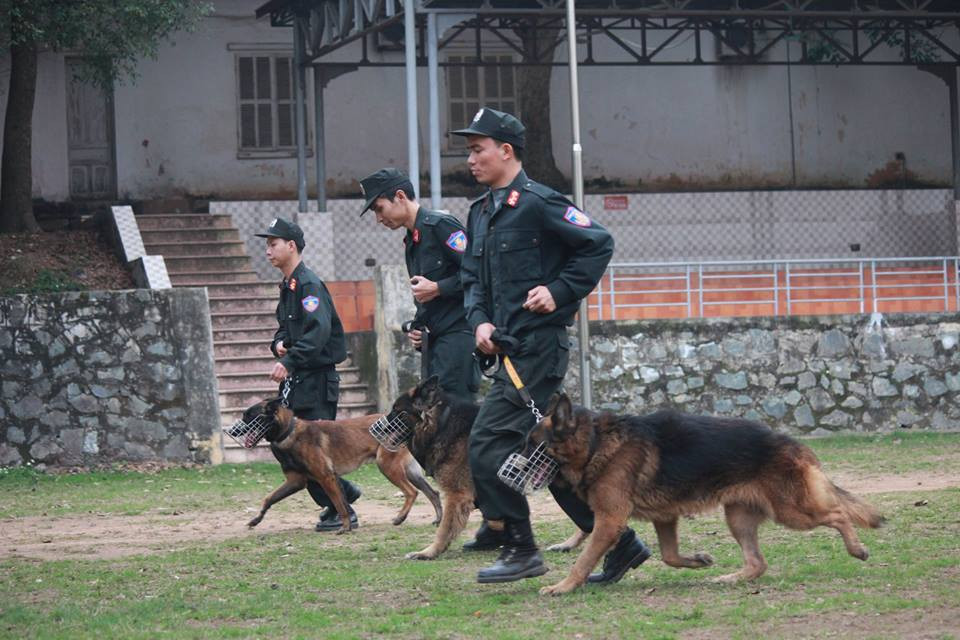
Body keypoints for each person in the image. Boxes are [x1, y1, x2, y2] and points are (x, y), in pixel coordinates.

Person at [452, 107, 652, 584]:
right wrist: (478, 322)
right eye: (469, 151)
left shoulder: (540, 203)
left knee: (485, 442)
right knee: (542, 451)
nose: (471, 159)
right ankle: (621, 544)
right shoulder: (480, 212)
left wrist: (559, 291)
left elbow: (598, 243)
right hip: (505, 349)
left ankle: (520, 547)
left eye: (477, 149)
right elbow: (471, 280)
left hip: (538, 349)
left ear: (506, 151)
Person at [255, 217, 362, 532]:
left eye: (273, 244)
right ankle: (344, 496)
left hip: (315, 380)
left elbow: (318, 332)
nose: (268, 251)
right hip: (299, 379)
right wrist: (278, 345)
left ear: (291, 246)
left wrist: (289, 362)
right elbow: (285, 330)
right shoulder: (289, 286)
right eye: (267, 245)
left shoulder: (308, 284)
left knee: (309, 449)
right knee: (294, 448)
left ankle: (341, 509)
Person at [358, 167, 480, 399]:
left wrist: (438, 288)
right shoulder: (413, 239)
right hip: (435, 343)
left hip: (458, 339)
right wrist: (418, 326)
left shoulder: (440, 226)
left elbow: (478, 273)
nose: (378, 219)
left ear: (400, 197)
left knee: (453, 421)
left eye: (379, 208)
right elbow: (426, 298)